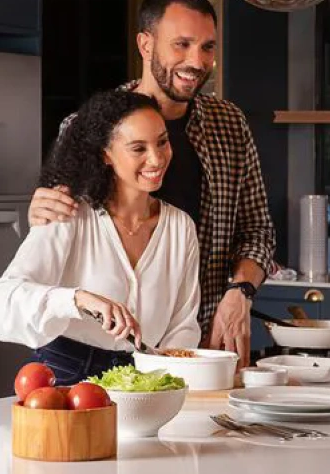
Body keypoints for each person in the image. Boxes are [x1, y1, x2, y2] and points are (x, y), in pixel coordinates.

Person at [27, 0, 275, 368]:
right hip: (91, 350)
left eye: (207, 47)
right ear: (145, 45)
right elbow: (57, 233)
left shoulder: (231, 125)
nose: (197, 61)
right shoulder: (87, 128)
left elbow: (258, 231)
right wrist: (39, 212)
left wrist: (240, 293)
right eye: (182, 44)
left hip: (202, 343)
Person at [0, 90, 202, 384]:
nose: (157, 158)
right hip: (63, 372)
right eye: (138, 148)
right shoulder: (68, 214)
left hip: (143, 375)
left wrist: (169, 380)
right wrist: (78, 299)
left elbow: (183, 325)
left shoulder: (181, 228)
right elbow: (4, 299)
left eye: (162, 142)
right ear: (105, 154)